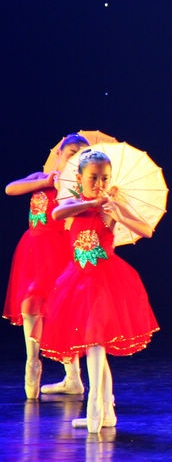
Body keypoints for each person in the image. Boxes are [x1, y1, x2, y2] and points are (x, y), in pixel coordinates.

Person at [39, 149, 159, 432]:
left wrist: (118, 214)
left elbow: (146, 230)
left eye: (105, 178)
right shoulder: (75, 203)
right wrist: (90, 202)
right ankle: (106, 413)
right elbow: (56, 213)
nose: (100, 183)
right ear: (80, 178)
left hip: (104, 281)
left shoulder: (111, 206)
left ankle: (95, 409)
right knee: (95, 350)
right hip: (77, 281)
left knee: (96, 345)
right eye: (93, 177)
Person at [4, 133, 89, 398]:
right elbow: (10, 189)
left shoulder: (78, 186)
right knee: (29, 303)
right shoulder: (40, 177)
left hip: (62, 251)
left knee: (62, 310)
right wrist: (45, 181)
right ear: (59, 154)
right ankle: (32, 362)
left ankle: (73, 377)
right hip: (33, 250)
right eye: (71, 153)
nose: (74, 159)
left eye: (81, 156)